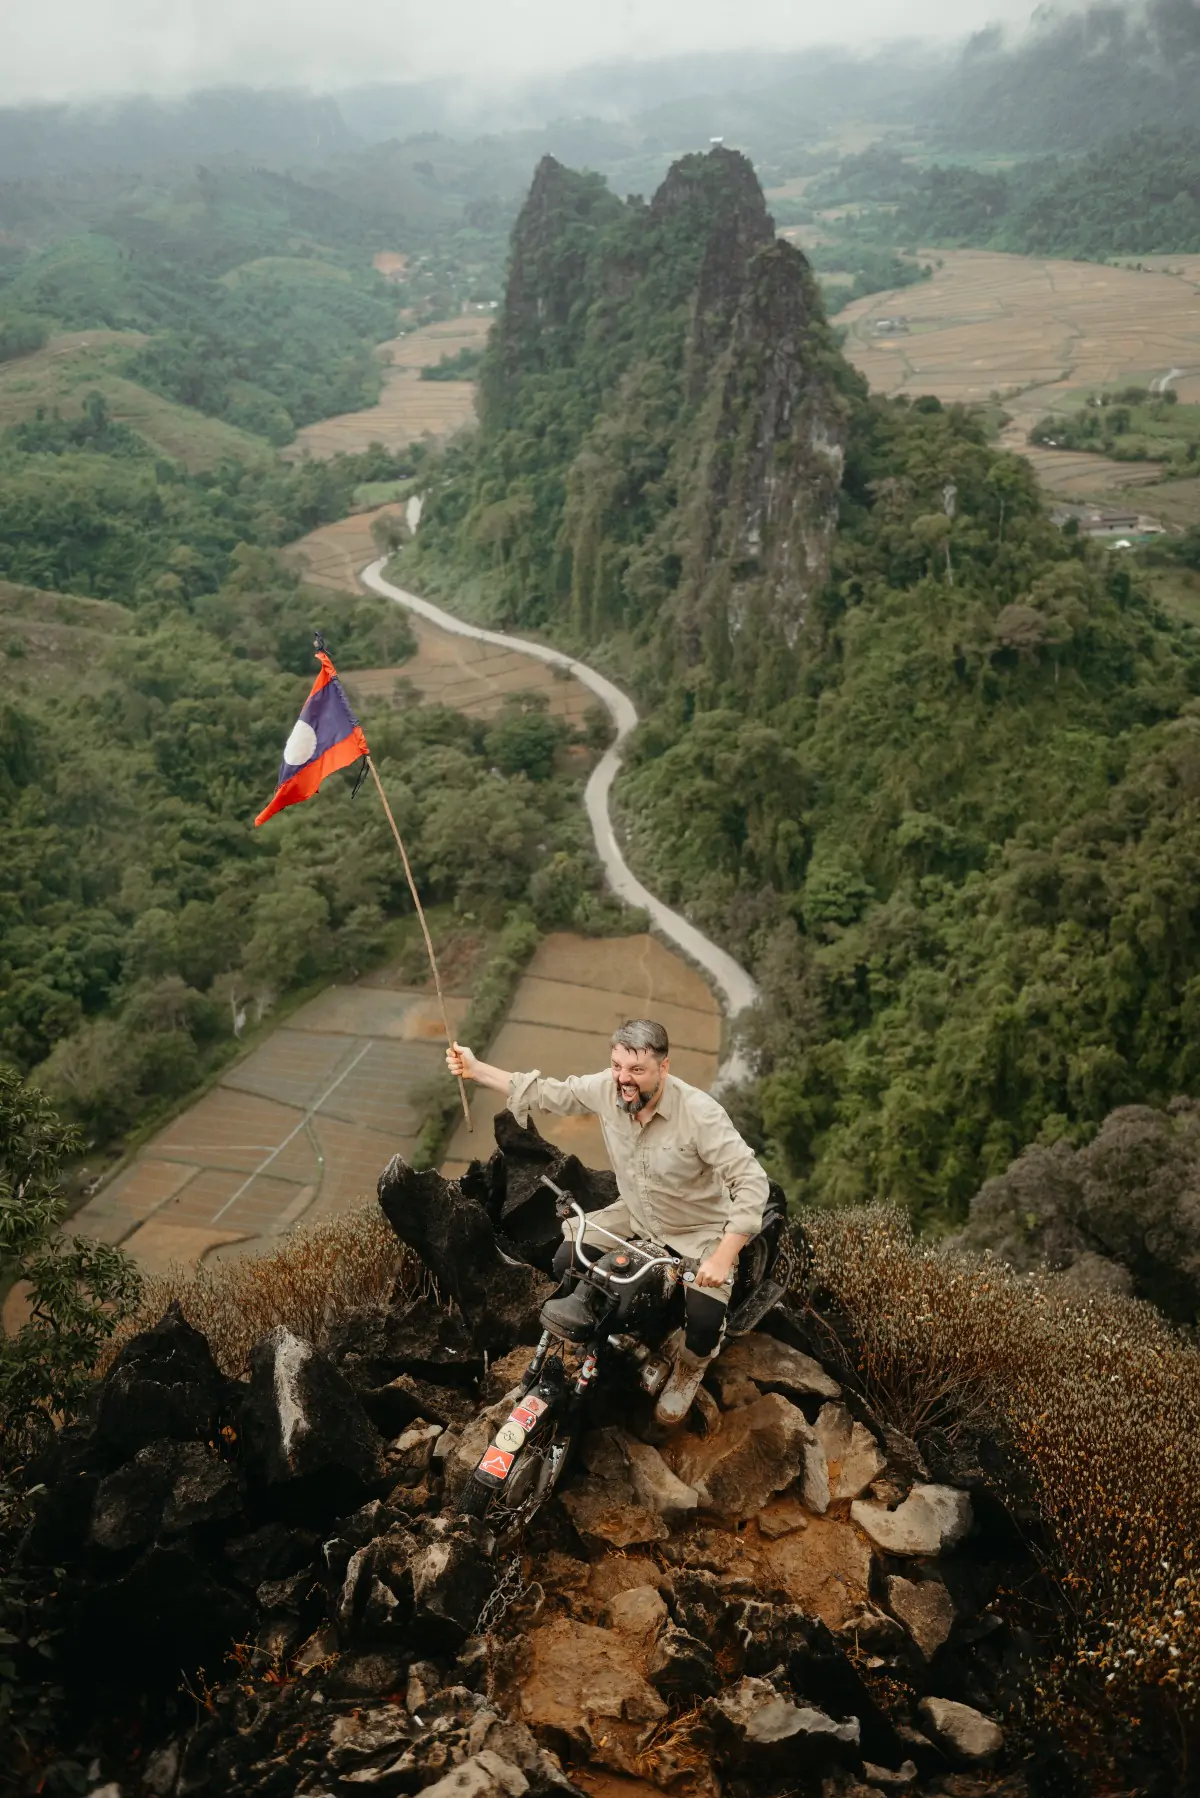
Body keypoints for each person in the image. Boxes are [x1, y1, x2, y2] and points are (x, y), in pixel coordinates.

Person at [445, 1018, 769, 1424]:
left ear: (664, 1067)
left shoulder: (701, 1114)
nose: (623, 1079)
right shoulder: (606, 1088)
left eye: (637, 1070)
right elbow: (547, 1093)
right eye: (617, 1066)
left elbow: (751, 1181)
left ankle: (690, 1365)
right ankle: (606, 1338)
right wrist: (476, 1069)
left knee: (703, 1326)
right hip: (634, 1214)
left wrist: (723, 1256)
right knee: (567, 1261)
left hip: (697, 1231)